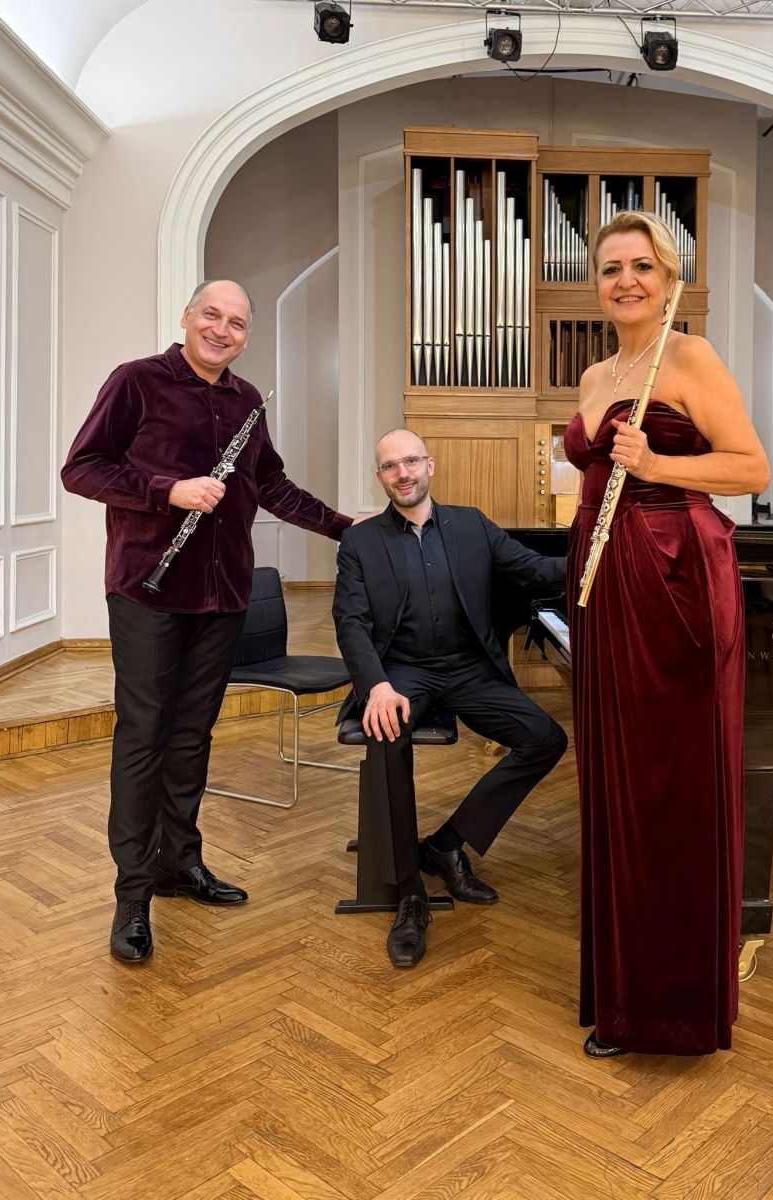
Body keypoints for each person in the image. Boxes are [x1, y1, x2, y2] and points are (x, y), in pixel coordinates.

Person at [62, 280, 356, 964]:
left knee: (193, 735)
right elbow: (82, 468)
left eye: (237, 323)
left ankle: (178, 864)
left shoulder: (247, 400)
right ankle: (133, 893)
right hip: (148, 591)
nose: (222, 330)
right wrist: (166, 490)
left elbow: (271, 485)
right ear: (187, 317)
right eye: (212, 316)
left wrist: (347, 528)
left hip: (221, 595)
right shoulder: (136, 381)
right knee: (144, 738)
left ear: (246, 335)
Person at [566, 212, 770, 1057]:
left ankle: (670, 1007)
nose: (625, 281)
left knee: (668, 784)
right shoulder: (595, 372)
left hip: (674, 576)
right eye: (611, 267)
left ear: (667, 277)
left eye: (641, 265)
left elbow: (750, 467)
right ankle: (621, 993)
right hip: (602, 579)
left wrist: (655, 465)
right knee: (614, 780)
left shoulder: (690, 358)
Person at [332, 429, 568, 968]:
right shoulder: (360, 542)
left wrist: (607, 556)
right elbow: (350, 622)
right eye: (390, 466)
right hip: (402, 672)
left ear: (429, 465)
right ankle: (409, 894)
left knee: (545, 739)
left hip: (469, 669)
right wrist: (377, 686)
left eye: (411, 461)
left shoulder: (471, 524)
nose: (403, 473)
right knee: (386, 731)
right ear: (379, 477)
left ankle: (447, 844)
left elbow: (534, 570)